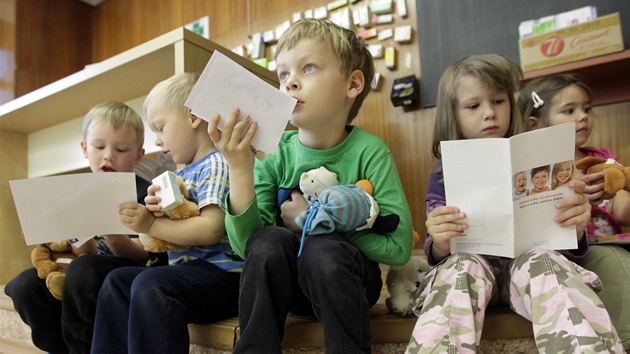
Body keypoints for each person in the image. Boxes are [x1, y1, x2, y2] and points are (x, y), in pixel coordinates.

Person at [207, 18, 412, 353]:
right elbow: (249, 247)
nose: (290, 84)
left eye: (309, 68)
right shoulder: (274, 152)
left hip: (351, 283)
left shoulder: (371, 151)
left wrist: (316, 222)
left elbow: (399, 247)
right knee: (269, 240)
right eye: (283, 74)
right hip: (291, 289)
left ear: (353, 84)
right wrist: (240, 169)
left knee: (323, 249)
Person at [405, 54, 623, 353]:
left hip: (528, 267)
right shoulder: (444, 172)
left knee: (545, 262)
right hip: (473, 266)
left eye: (498, 101)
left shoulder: (541, 157)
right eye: (473, 106)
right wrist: (441, 240)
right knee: (460, 269)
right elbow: (439, 248)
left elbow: (567, 242)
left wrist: (577, 225)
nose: (489, 114)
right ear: (452, 115)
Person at [90, 72, 242, 354]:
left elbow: (210, 229)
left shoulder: (217, 163)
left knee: (152, 285)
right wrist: (148, 220)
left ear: (194, 116)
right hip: (187, 273)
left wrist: (152, 224)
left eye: (160, 128)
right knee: (117, 281)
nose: (158, 141)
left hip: (225, 276)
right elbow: (154, 244)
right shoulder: (179, 173)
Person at [4, 101, 167, 354]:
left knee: (84, 271)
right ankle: (59, 349)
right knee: (23, 285)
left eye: (121, 149)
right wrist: (54, 232)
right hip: (88, 268)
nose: (108, 155)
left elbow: (149, 256)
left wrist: (113, 235)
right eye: (99, 147)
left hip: (129, 269)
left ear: (138, 155)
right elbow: (87, 254)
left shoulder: (143, 192)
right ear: (84, 148)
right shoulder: (77, 193)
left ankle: (82, 349)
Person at [519, 73, 630, 353]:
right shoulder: (536, 171)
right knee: (616, 262)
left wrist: (620, 186)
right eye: (569, 110)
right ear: (535, 124)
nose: (583, 116)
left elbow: (624, 212)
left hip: (613, 239)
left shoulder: (602, 160)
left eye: (587, 108)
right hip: (576, 250)